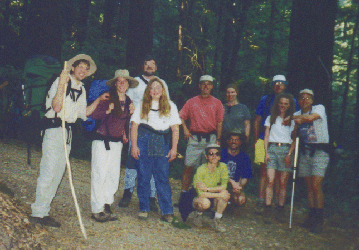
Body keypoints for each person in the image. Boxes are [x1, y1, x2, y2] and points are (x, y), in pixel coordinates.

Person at [29, 54, 107, 227]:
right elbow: (56, 107)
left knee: (58, 174)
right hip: (54, 130)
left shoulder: (82, 88)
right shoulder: (60, 81)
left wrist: (99, 101)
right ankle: (37, 212)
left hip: (68, 133)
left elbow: (83, 113)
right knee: (49, 171)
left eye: (86, 69)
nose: (83, 70)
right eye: (80, 66)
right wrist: (62, 83)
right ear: (72, 67)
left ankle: (44, 211)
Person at [119, 55, 169, 210]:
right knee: (133, 160)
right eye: (146, 64)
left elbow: (165, 104)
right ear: (142, 67)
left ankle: (151, 197)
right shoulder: (135, 82)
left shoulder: (162, 83)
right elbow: (128, 106)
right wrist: (125, 129)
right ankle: (128, 192)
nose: (149, 66)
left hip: (156, 130)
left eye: (152, 64)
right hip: (138, 127)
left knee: (154, 162)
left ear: (156, 67)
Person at [130, 77, 181, 222]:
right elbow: (134, 126)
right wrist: (134, 146)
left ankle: (167, 211)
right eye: (152, 88)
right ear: (148, 91)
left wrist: (174, 148)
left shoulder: (171, 105)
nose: (155, 91)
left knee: (162, 178)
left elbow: (175, 128)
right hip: (144, 141)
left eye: (158, 87)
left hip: (162, 142)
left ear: (163, 90)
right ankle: (144, 208)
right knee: (144, 176)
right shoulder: (141, 105)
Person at [90, 70, 138, 222]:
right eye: (119, 81)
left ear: (128, 84)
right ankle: (97, 209)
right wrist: (107, 109)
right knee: (100, 174)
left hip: (117, 143)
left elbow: (124, 121)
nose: (122, 84)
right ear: (115, 83)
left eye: (125, 81)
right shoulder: (107, 97)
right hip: (102, 140)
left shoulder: (129, 101)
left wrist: (125, 133)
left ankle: (106, 203)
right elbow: (93, 115)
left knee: (112, 175)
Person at [253, 75, 298, 213]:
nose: (278, 85)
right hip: (266, 140)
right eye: (276, 83)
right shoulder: (265, 100)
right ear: (272, 85)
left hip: (284, 144)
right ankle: (263, 201)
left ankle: (279, 203)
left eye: (281, 83)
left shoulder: (292, 101)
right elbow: (257, 119)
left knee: (281, 177)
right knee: (265, 173)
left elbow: (296, 120)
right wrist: (256, 141)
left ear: (285, 85)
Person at [178, 75, 224, 203]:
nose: (206, 86)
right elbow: (180, 116)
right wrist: (185, 129)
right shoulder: (192, 101)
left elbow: (220, 122)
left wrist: (218, 140)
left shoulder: (217, 103)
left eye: (209, 84)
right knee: (188, 167)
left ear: (212, 86)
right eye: (203, 83)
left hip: (211, 139)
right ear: (199, 86)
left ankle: (205, 198)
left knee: (209, 169)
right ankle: (184, 196)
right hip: (194, 138)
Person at [292, 89, 329, 233]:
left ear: (312, 100)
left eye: (308, 98)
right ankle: (312, 215)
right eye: (302, 98)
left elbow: (312, 118)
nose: (304, 101)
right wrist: (295, 126)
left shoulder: (319, 108)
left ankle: (319, 217)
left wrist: (299, 119)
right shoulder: (296, 114)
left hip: (320, 151)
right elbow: (294, 133)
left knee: (316, 185)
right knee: (309, 186)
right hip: (305, 152)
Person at [263, 93, 296, 222]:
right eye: (281, 103)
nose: (283, 105)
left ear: (289, 105)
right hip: (272, 149)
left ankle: (280, 209)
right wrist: (266, 153)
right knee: (270, 180)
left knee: (283, 182)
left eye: (286, 103)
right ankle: (267, 208)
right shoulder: (270, 118)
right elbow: (266, 136)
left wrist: (289, 154)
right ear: (278, 104)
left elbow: (294, 139)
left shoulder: (292, 121)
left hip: (286, 150)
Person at [192, 144, 230, 233]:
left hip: (210, 193)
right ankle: (198, 215)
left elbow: (224, 185)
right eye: (211, 154)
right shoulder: (201, 169)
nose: (214, 156)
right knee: (205, 203)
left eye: (217, 154)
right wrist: (219, 194)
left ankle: (217, 220)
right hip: (198, 197)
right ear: (206, 156)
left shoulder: (223, 166)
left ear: (220, 157)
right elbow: (201, 193)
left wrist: (208, 189)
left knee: (225, 193)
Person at [220, 131, 252, 206]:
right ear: (227, 141)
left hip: (236, 186)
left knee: (241, 200)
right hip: (221, 184)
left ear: (240, 142)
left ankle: (230, 202)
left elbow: (245, 176)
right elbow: (218, 173)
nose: (233, 142)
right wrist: (231, 182)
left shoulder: (244, 157)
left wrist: (239, 187)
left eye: (236, 140)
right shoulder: (221, 154)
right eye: (231, 139)